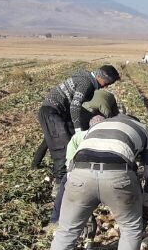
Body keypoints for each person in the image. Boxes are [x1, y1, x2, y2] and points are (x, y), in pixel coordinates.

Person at [33, 110, 148, 250]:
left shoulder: (97, 128)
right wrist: (146, 211)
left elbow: (74, 159)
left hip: (78, 174)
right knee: (131, 230)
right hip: (119, 177)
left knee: (66, 233)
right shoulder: (145, 130)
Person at [37, 64, 120, 223]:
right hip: (52, 112)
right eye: (108, 83)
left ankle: (48, 172)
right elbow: (75, 106)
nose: (108, 86)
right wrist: (78, 131)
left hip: (58, 114)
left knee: (56, 142)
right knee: (63, 149)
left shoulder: (85, 78)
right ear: (102, 78)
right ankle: (60, 187)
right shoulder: (87, 82)